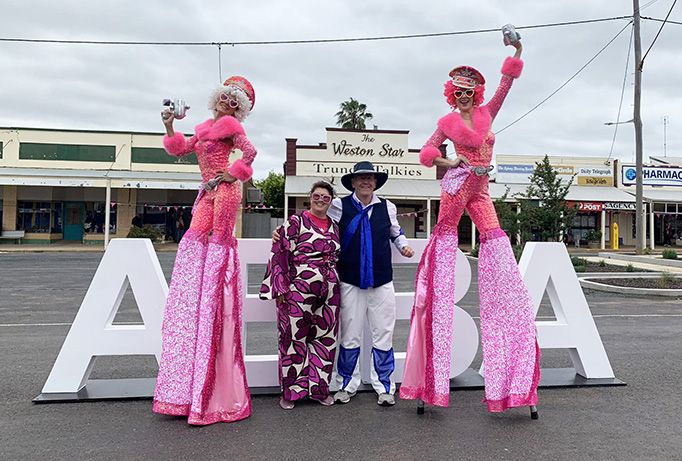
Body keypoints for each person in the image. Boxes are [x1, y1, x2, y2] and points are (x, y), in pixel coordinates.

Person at [400, 39, 540, 418]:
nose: (463, 98)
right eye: (458, 93)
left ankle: (512, 374)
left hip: (481, 190)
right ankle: (431, 376)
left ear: (476, 95)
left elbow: (505, 86)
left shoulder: (487, 113)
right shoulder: (446, 123)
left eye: (469, 93)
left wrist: (517, 52)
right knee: (444, 247)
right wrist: (450, 161)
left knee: (497, 244)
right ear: (452, 94)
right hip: (457, 186)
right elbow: (427, 153)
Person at [153, 76, 258, 425]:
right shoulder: (202, 129)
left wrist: (231, 175)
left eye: (234, 101)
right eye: (225, 97)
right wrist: (169, 125)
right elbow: (180, 149)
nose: (227, 103)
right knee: (193, 239)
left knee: (217, 245)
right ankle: (195, 289)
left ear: (238, 109)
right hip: (206, 191)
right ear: (216, 98)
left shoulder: (231, 128)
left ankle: (212, 289)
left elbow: (250, 153)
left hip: (224, 192)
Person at [330, 161, 414, 406]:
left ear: (376, 182)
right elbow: (321, 225)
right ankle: (346, 384)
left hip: (381, 280)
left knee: (383, 335)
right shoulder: (339, 206)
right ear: (353, 182)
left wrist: (404, 246)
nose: (366, 181)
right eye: (361, 178)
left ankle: (384, 386)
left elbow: (396, 233)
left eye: (370, 178)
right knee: (349, 336)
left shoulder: (387, 207)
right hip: (350, 280)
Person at [260, 181, 341, 410]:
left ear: (331, 201)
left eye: (326, 197)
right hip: (298, 290)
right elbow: (280, 253)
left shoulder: (335, 226)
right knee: (293, 339)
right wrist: (280, 288)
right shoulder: (296, 222)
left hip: (330, 291)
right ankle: (290, 392)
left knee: (325, 339)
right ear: (310, 197)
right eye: (317, 196)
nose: (321, 200)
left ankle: (319, 390)